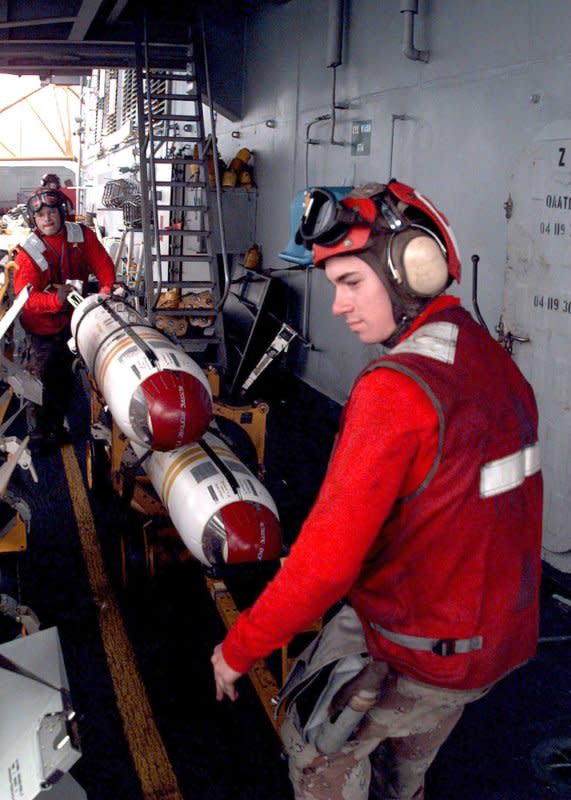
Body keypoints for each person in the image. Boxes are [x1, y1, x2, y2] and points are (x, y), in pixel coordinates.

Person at [211, 180, 543, 799]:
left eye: (350, 283)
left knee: (313, 753)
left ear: (409, 272)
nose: (339, 306)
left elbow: (324, 568)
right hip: (496, 638)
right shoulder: (490, 358)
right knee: (403, 771)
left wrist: (238, 647)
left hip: (422, 646)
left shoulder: (394, 390)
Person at [13, 187, 116, 450]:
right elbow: (25, 299)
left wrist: (106, 290)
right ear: (33, 221)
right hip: (41, 330)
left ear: (62, 213)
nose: (47, 219)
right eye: (41, 215)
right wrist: (55, 300)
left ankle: (56, 429)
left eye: (51, 212)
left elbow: (103, 263)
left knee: (63, 381)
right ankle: (37, 436)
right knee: (38, 383)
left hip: (72, 324)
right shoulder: (29, 253)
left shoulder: (81, 235)